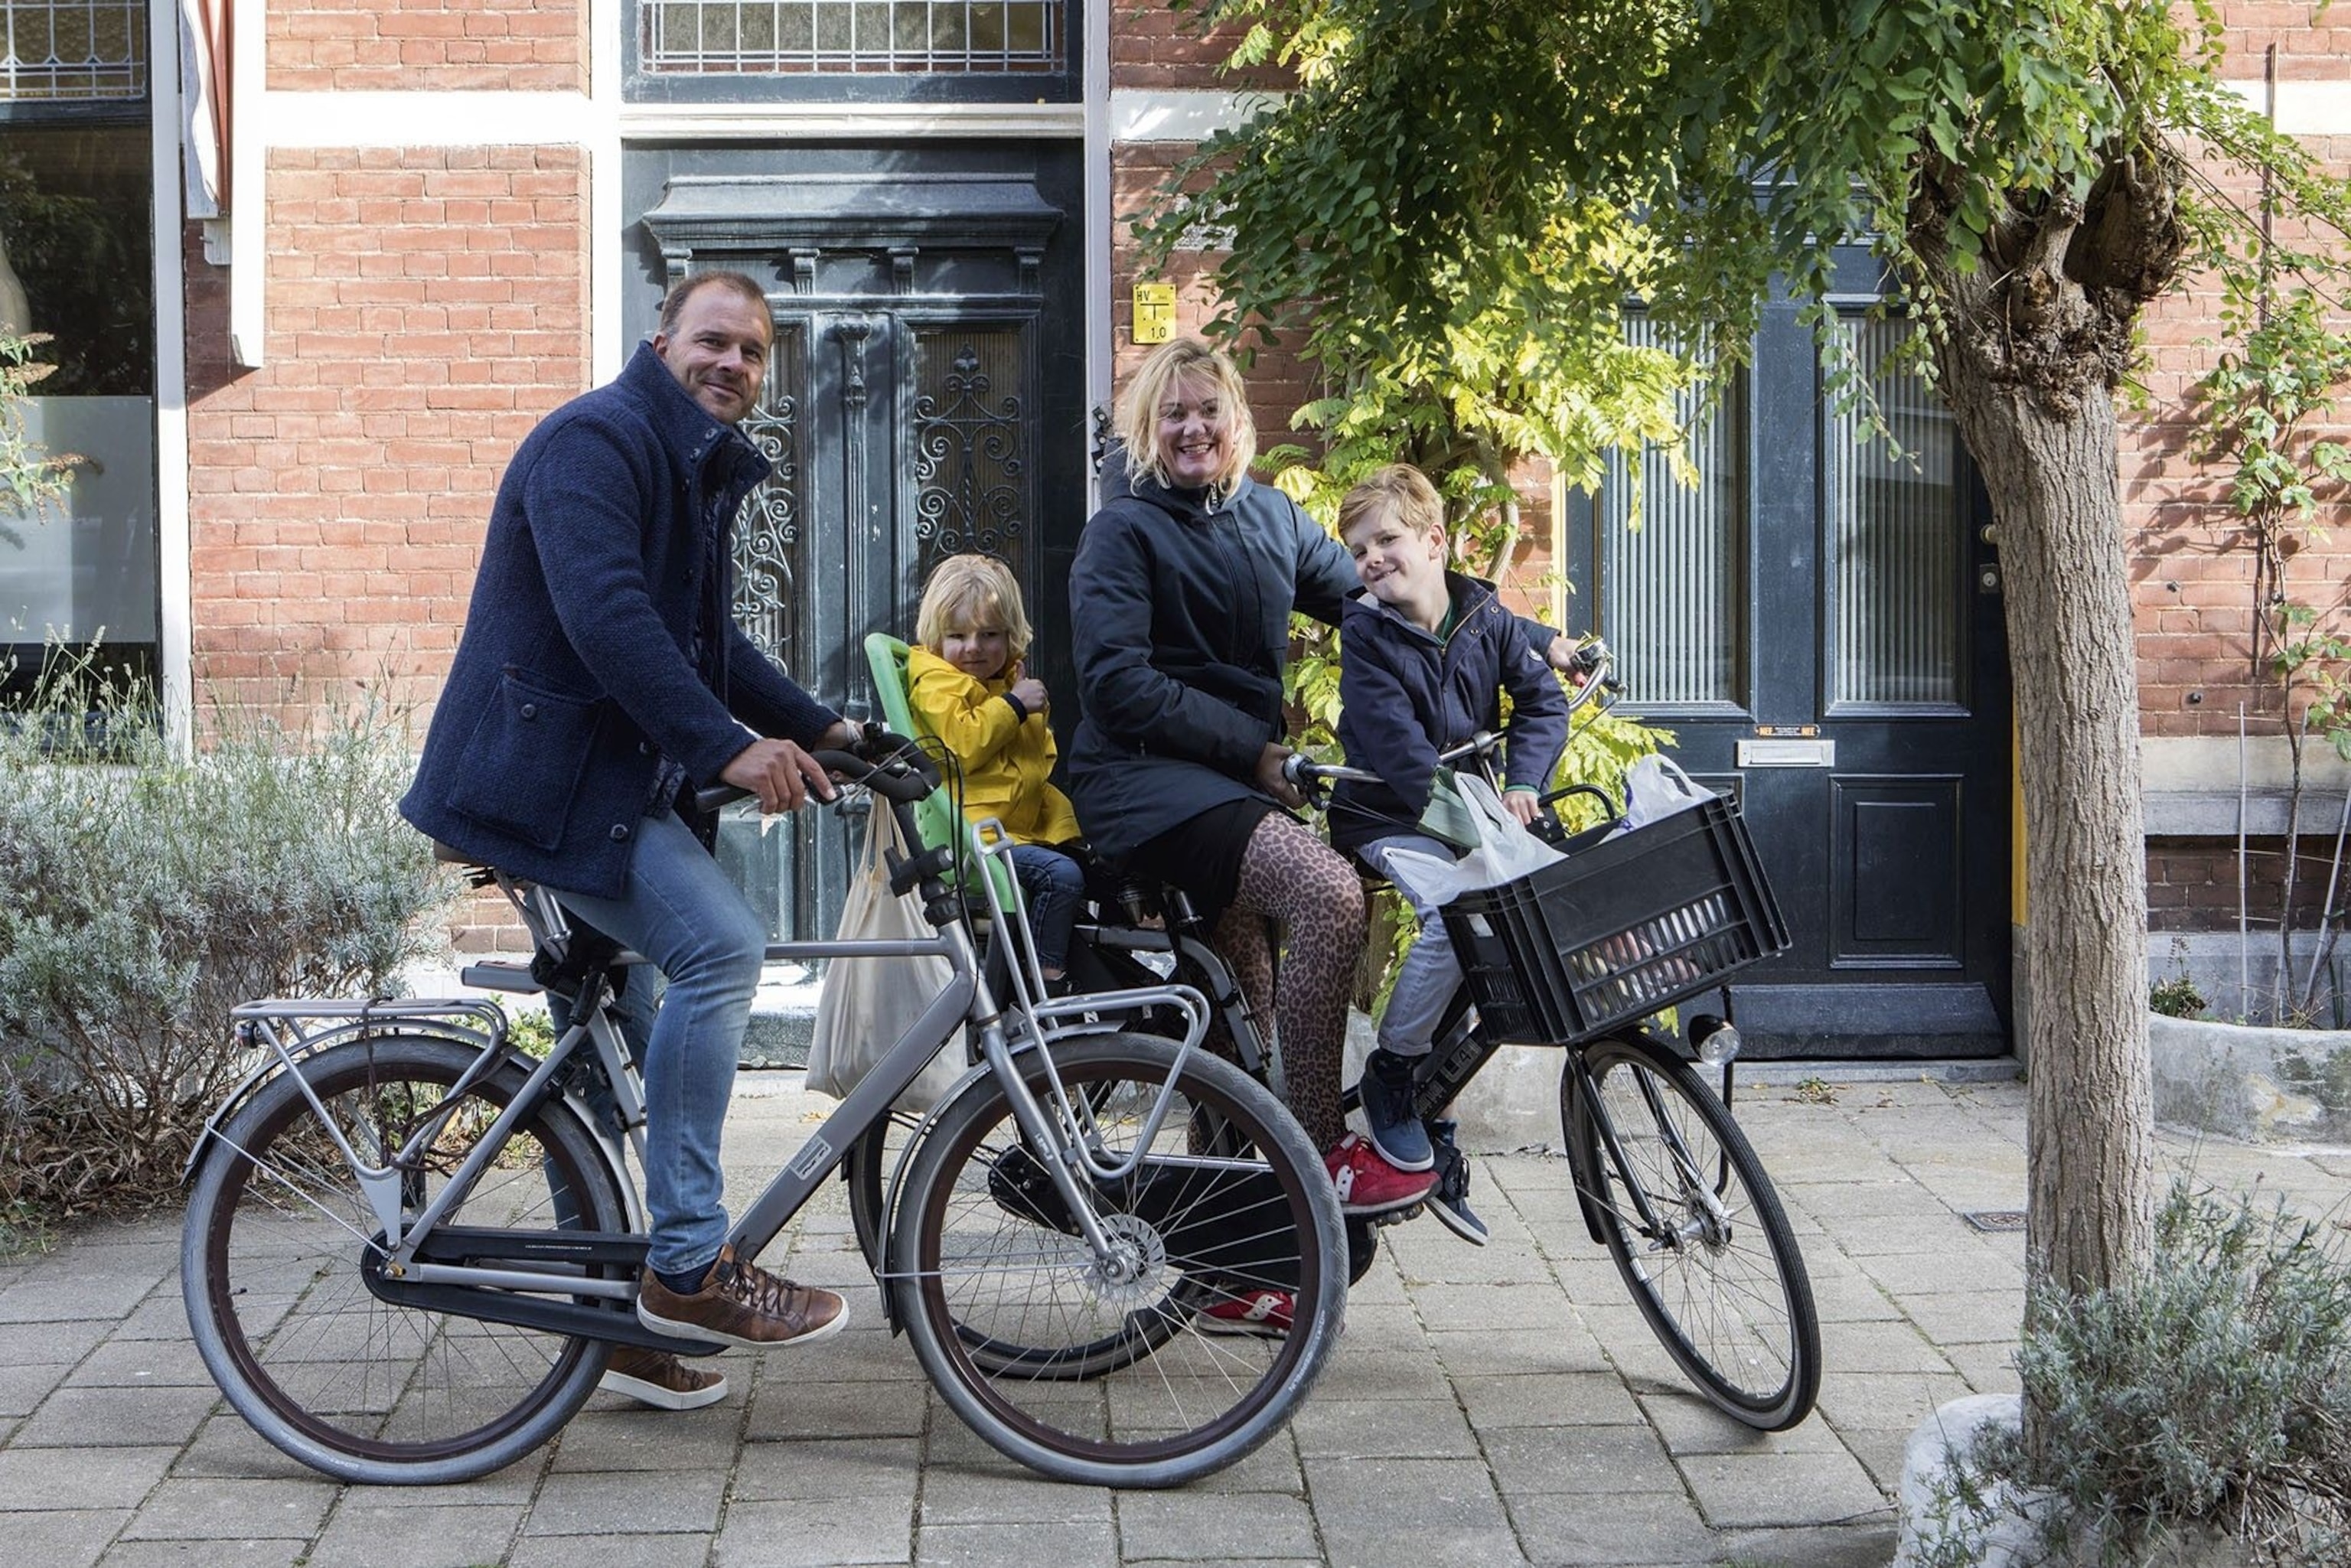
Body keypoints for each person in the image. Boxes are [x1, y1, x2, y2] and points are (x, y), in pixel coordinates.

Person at [402, 269, 860, 1410]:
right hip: (543, 785)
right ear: (660, 343)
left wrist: (830, 728)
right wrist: (729, 750)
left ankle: (610, 1328)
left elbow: (708, 648)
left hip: (592, 782)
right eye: (714, 341)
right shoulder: (594, 445)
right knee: (720, 949)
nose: (733, 365)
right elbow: (609, 618)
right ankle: (691, 1264)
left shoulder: (687, 466)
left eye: (754, 353)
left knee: (609, 1052)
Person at [1068, 337, 1447, 1265]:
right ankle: (1321, 1157)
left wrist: (1516, 639)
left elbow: (1372, 599)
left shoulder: (1274, 517)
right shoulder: (1122, 533)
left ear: (1239, 421)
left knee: (1245, 1017)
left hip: (1233, 792)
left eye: (1209, 410)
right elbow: (1116, 685)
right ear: (1146, 430)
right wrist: (1259, 750)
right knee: (1326, 895)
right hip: (1144, 785)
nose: (1193, 427)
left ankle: (1228, 1264)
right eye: (1173, 413)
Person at [1328, 464, 1570, 1245]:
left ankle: (1436, 1110)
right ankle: (1392, 1075)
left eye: (1387, 540)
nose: (1371, 559)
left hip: (1467, 808)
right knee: (1454, 911)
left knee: (1504, 930)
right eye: (1359, 549)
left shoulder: (1485, 616)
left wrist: (1526, 784)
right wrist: (1493, 839)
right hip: (1386, 814)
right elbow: (1403, 762)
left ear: (1435, 543)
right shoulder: (1365, 636)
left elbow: (1541, 700)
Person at [907, 553, 1087, 991]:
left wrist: (1020, 705)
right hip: (973, 838)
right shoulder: (936, 685)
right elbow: (962, 747)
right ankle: (1044, 984)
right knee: (1060, 878)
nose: (973, 647)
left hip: (1011, 829)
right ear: (935, 640)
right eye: (958, 635)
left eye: (990, 635)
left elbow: (1036, 764)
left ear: (1011, 638)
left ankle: (1095, 972)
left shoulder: (1003, 685)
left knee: (1101, 865)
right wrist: (1012, 707)